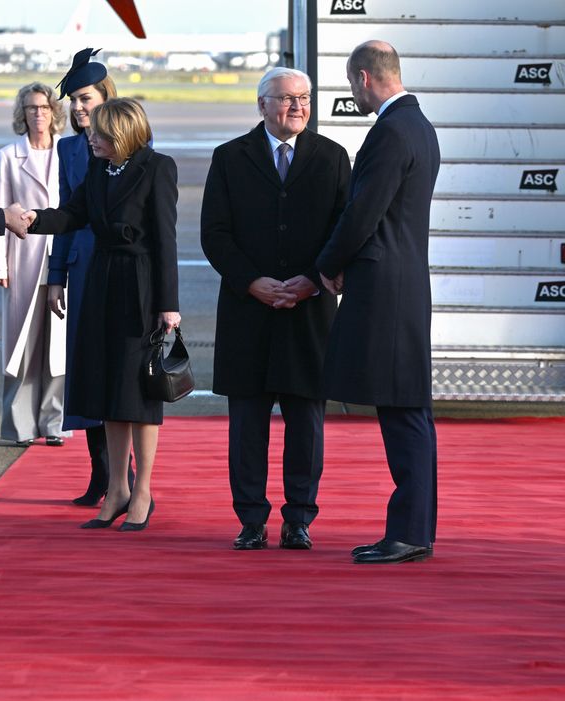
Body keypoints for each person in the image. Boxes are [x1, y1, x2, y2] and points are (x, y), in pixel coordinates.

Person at [200, 67, 350, 551]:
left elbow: (343, 230)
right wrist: (251, 282)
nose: (298, 107)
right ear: (262, 104)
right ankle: (251, 519)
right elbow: (215, 233)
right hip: (250, 310)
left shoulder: (332, 158)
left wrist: (312, 279)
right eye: (286, 99)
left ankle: (299, 518)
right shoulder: (229, 158)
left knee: (307, 422)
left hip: (309, 310)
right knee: (248, 424)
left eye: (304, 98)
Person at [25, 97, 180, 531]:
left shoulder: (157, 167)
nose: (90, 137)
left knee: (139, 392)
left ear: (123, 132)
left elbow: (166, 238)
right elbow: (73, 214)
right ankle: (117, 488)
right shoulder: (98, 168)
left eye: (99, 132)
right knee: (108, 388)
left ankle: (143, 490)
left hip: (141, 287)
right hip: (101, 282)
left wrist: (169, 304)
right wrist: (31, 219)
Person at [315, 40, 441, 564]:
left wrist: (327, 263)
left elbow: (363, 213)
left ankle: (410, 532)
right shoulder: (420, 126)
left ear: (365, 78)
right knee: (409, 408)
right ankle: (414, 528)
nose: (353, 93)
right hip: (405, 282)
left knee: (403, 410)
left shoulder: (390, 131)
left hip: (384, 289)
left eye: (351, 84)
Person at [47, 47, 129, 506]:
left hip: (119, 271)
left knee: (118, 372)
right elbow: (66, 216)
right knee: (86, 371)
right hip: (81, 272)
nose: (78, 108)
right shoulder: (68, 148)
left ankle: (125, 476)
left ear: (106, 98)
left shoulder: (135, 141)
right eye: (74, 101)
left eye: (86, 99)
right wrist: (56, 274)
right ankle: (100, 474)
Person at [0, 82, 69, 446]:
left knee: (59, 346)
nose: (38, 114)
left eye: (44, 107)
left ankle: (54, 422)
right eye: (31, 108)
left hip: (62, 256)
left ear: (54, 113)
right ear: (22, 114)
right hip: (23, 258)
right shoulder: (9, 155)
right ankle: (20, 425)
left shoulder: (67, 153)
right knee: (22, 344)